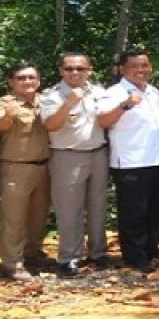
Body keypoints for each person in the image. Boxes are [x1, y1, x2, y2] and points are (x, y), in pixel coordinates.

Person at [40, 52, 121, 277]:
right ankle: (69, 257)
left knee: (98, 206)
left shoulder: (99, 92)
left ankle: (98, 253)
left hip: (98, 153)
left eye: (80, 69)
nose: (75, 73)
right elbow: (51, 125)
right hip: (67, 155)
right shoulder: (52, 94)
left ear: (89, 70)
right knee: (69, 210)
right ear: (61, 71)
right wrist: (69, 102)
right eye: (69, 69)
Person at [106, 50, 159, 274]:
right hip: (131, 162)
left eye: (144, 65)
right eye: (134, 66)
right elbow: (103, 120)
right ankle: (134, 257)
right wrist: (125, 105)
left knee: (156, 209)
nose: (140, 70)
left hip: (158, 159)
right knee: (134, 213)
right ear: (122, 69)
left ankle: (150, 251)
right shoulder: (115, 92)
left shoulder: (154, 92)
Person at [0, 62, 50, 281]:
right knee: (14, 218)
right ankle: (13, 263)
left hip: (44, 166)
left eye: (31, 78)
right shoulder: (5, 103)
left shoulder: (45, 101)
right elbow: (1, 125)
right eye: (21, 78)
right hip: (16, 166)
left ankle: (32, 253)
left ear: (38, 80)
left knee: (38, 215)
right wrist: (9, 115)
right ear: (11, 82)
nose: (27, 82)